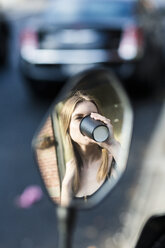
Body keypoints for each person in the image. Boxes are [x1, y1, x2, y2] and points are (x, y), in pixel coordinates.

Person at [60, 91, 120, 206]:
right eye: (79, 118)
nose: (87, 122)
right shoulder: (70, 171)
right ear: (67, 128)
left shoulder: (114, 160)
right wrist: (66, 186)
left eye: (92, 116)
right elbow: (67, 216)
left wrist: (112, 144)